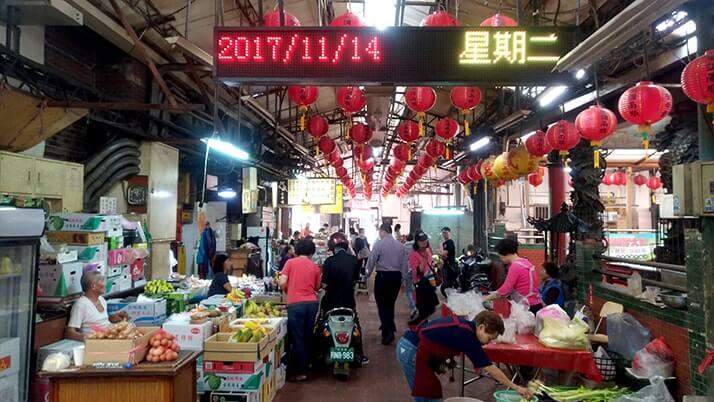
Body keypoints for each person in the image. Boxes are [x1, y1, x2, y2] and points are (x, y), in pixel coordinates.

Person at [396, 311, 533, 402]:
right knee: (425, 394)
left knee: (428, 392)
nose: (488, 342)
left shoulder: (466, 327)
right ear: (481, 327)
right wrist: (516, 387)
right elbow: (490, 368)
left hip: (412, 347)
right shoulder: (467, 336)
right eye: (489, 337)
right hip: (410, 349)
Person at [321, 232, 369, 364]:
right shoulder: (353, 260)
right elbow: (355, 279)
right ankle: (360, 353)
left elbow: (324, 284)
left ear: (332, 246)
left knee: (322, 322)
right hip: (348, 301)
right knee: (355, 324)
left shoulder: (328, 261)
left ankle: (320, 352)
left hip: (331, 301)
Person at [278, 239, 321, 381]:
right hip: (311, 304)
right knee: (307, 335)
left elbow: (282, 281)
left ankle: (301, 371)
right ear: (312, 252)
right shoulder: (315, 267)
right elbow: (317, 287)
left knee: (297, 337)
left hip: (295, 304)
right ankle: (308, 365)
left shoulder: (290, 263)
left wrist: (288, 290)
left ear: (297, 250)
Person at [366, 223, 409, 345]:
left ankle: (388, 331)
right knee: (390, 303)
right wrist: (404, 279)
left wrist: (367, 273)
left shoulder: (379, 244)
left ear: (382, 231)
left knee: (382, 304)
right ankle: (389, 326)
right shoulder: (401, 246)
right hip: (395, 278)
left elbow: (372, 260)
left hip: (383, 277)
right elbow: (405, 264)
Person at [65, 271, 129, 341]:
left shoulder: (101, 299)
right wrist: (89, 338)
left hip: (110, 337)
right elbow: (69, 333)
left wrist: (112, 318)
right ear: (93, 286)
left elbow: (99, 321)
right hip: (98, 342)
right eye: (102, 281)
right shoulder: (81, 304)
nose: (105, 284)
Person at [484, 238, 542, 314]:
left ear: (506, 253)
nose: (501, 259)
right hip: (536, 304)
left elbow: (504, 290)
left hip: (527, 307)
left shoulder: (515, 266)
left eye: (500, 256)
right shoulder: (525, 262)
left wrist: (484, 299)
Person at [408, 231, 439, 325]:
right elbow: (419, 273)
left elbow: (431, 262)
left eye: (425, 240)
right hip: (421, 284)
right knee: (424, 308)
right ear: (416, 242)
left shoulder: (428, 249)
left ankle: (421, 324)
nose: (424, 242)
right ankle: (418, 326)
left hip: (430, 282)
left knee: (431, 307)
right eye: (421, 241)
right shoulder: (413, 254)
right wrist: (424, 259)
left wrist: (436, 265)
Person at [403, 233, 419, 321]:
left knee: (409, 290)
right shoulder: (418, 246)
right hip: (418, 271)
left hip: (408, 270)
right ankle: (419, 306)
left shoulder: (404, 246)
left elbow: (403, 260)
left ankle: (413, 308)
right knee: (418, 289)